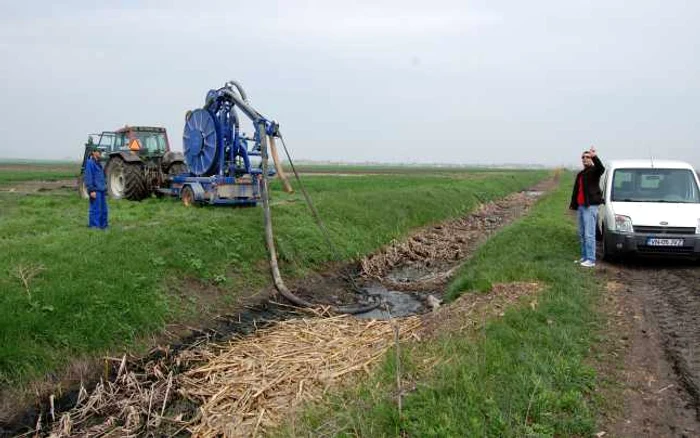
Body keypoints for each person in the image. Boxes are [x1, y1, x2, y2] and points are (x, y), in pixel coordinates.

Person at [569, 146, 604, 267]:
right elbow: (576, 191)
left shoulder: (595, 171)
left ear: (591, 159)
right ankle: (584, 257)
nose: (585, 159)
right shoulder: (581, 174)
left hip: (590, 207)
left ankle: (591, 259)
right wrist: (574, 205)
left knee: (589, 234)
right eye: (583, 157)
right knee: (582, 234)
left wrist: (595, 156)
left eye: (587, 157)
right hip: (581, 207)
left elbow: (601, 168)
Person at [84, 146, 108, 229]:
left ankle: (103, 226)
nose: (100, 153)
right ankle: (94, 227)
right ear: (93, 152)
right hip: (95, 190)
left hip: (101, 190)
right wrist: (91, 190)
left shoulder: (99, 163)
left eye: (100, 151)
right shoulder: (90, 163)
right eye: (98, 151)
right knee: (95, 209)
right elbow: (88, 177)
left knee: (104, 210)